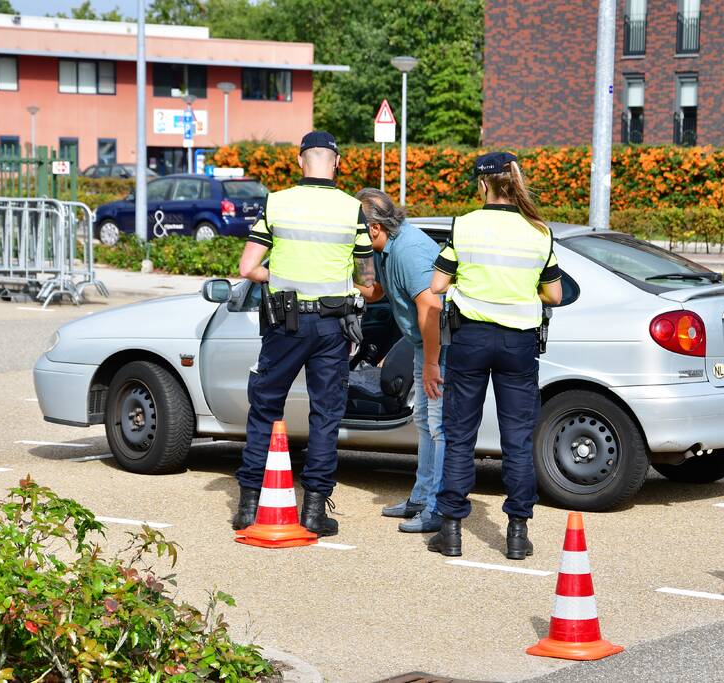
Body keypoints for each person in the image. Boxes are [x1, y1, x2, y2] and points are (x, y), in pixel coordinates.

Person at [231, 131, 375, 537]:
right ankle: (313, 510)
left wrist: (281, 276)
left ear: (299, 162)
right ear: (337, 162)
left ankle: (247, 506)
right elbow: (367, 282)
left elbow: (247, 268)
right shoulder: (352, 210)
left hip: (284, 322)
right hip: (332, 326)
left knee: (264, 408)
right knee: (326, 415)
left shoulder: (277, 202)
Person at [426, 151, 563, 561]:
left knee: (460, 434)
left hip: (471, 339)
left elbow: (436, 284)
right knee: (518, 439)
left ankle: (451, 531)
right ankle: (517, 534)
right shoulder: (538, 231)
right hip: (519, 345)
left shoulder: (464, 226)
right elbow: (554, 293)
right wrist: (522, 290)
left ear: (482, 184)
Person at [356, 188, 446, 533]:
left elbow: (432, 307)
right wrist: (356, 262)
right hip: (424, 346)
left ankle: (437, 506)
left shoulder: (408, 250)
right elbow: (376, 291)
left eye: (358, 232)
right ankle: (421, 498)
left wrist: (431, 364)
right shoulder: (385, 246)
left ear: (374, 228)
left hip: (440, 348)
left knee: (438, 427)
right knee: (424, 422)